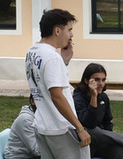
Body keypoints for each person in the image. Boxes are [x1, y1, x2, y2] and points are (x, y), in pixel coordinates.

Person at [25, 8, 90, 159]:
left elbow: (43, 80)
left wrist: (64, 61)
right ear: (57, 31)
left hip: (43, 126)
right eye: (69, 30)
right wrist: (79, 128)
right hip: (61, 127)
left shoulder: (32, 52)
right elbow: (57, 96)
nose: (71, 35)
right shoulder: (52, 57)